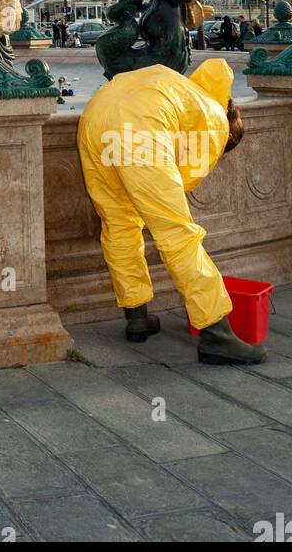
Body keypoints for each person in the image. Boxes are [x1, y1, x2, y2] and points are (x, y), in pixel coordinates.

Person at [77, 58, 266, 364]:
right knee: (178, 233)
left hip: (95, 117)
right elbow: (185, 181)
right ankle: (216, 333)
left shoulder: (185, 88)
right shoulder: (216, 119)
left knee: (119, 223)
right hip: (138, 126)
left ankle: (137, 316)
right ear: (231, 136)